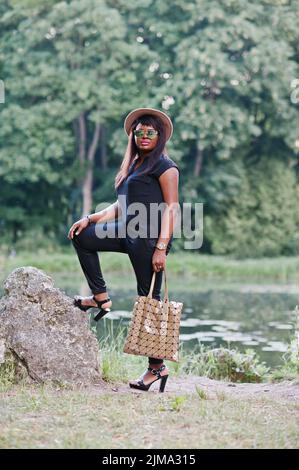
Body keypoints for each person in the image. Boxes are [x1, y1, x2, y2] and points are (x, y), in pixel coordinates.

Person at [67, 107, 180, 392]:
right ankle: (100, 297)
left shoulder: (165, 167)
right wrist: (91, 218)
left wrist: (161, 248)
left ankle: (156, 368)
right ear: (133, 135)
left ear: (160, 136)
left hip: (149, 239)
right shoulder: (135, 165)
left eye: (150, 132)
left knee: (148, 301)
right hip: (126, 232)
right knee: (83, 237)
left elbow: (171, 209)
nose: (144, 136)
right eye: (139, 132)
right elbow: (121, 206)